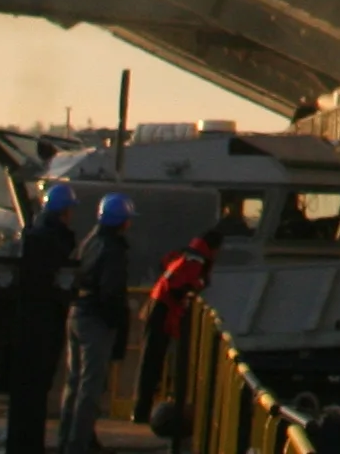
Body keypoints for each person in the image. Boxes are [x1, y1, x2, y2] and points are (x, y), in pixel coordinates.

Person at [3, 183, 76, 454]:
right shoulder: (51, 240)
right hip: (41, 323)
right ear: (64, 211)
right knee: (34, 389)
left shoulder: (36, 235)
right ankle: (28, 446)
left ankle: (24, 445)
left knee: (27, 392)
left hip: (32, 321)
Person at [56, 194, 130, 454]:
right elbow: (111, 292)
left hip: (77, 313)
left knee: (74, 383)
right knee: (90, 387)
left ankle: (66, 439)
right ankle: (78, 445)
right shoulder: (113, 249)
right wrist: (116, 324)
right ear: (123, 222)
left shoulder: (90, 240)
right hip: (96, 320)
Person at [131, 223, 220, 425]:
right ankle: (141, 411)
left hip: (160, 308)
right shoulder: (195, 259)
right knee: (152, 361)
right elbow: (176, 287)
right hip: (162, 310)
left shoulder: (190, 254)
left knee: (152, 361)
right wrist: (190, 290)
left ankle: (142, 409)